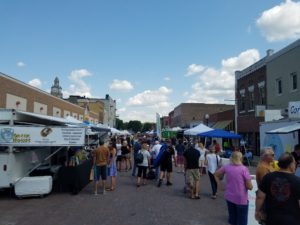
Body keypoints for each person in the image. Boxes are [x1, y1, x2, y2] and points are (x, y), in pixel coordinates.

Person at [255, 153, 300, 225]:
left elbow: (260, 197)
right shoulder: (297, 181)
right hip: (292, 220)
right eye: (294, 163)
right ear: (290, 165)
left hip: (271, 219)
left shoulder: (267, 177)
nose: (295, 165)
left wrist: (257, 211)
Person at [214, 151, 253, 225]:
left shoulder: (227, 166)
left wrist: (219, 184)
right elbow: (249, 186)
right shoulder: (244, 169)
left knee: (232, 219)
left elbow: (216, 174)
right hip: (241, 198)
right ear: (241, 158)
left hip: (229, 196)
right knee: (242, 221)